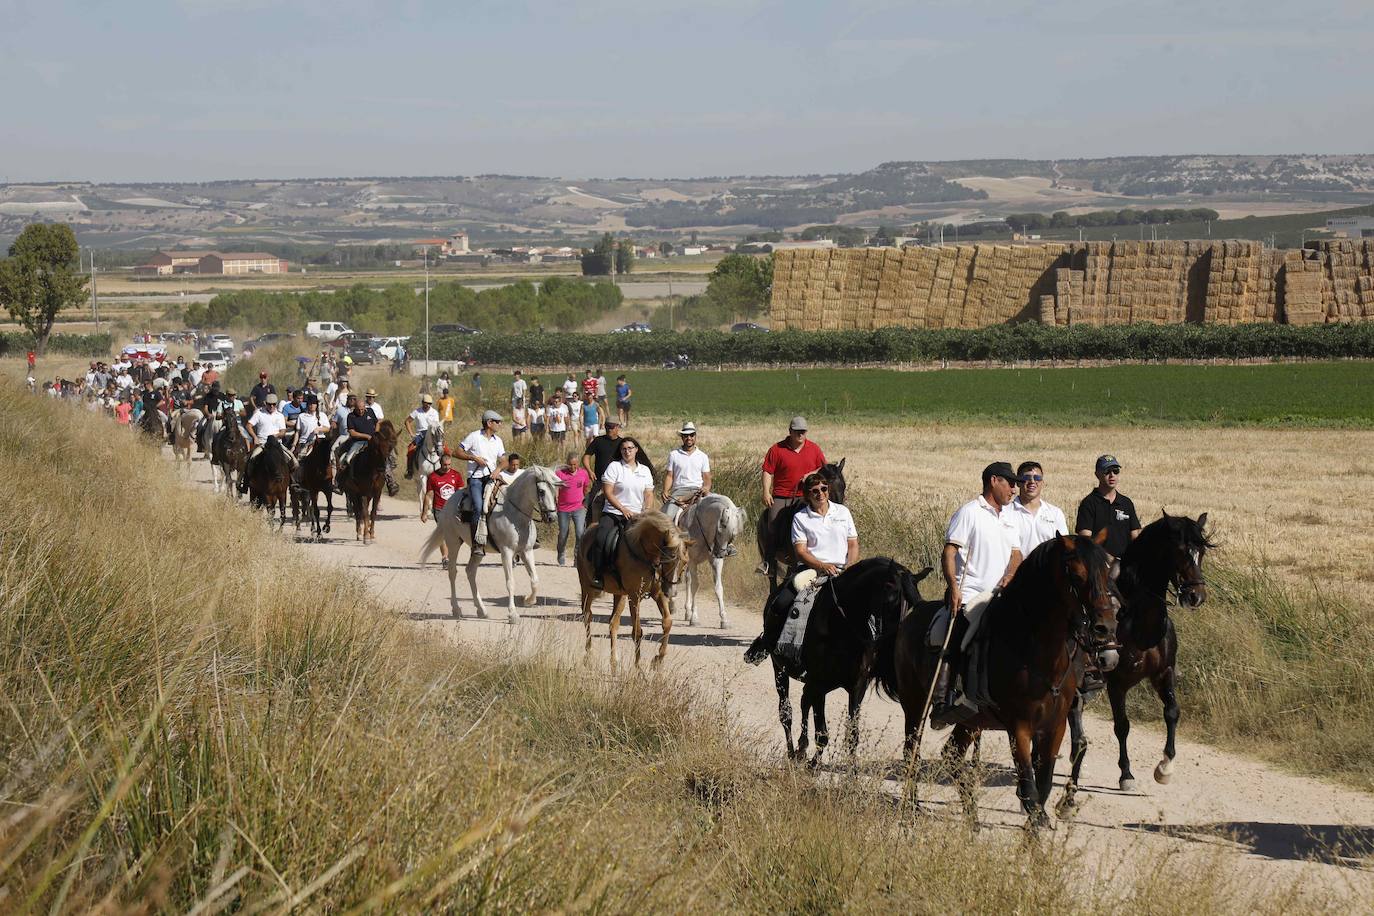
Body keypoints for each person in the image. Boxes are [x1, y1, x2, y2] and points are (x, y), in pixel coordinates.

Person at [931, 462, 1024, 723]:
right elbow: (950, 552)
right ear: (994, 480)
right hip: (971, 592)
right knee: (960, 636)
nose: (1015, 489)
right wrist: (953, 587)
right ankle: (944, 700)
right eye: (1010, 482)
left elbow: (1016, 554)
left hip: (1002, 594)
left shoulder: (1009, 517)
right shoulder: (969, 512)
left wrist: (1011, 573)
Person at [744, 470, 859, 664]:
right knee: (780, 603)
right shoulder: (801, 518)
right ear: (807, 495)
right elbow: (801, 552)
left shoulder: (843, 512)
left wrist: (849, 566)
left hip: (843, 570)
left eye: (823, 489)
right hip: (811, 570)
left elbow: (853, 544)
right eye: (814, 491)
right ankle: (767, 643)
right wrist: (823, 565)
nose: (820, 493)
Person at [589, 437, 656, 589]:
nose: (627, 451)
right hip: (613, 512)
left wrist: (646, 510)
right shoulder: (614, 467)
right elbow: (608, 492)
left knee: (654, 541)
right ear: (620, 451)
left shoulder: (644, 470)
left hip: (638, 515)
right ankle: (598, 574)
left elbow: (649, 494)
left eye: (630, 448)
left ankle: (653, 578)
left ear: (636, 450)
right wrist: (623, 509)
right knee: (601, 538)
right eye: (624, 449)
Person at [759, 417, 825, 565]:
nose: (800, 435)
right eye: (797, 432)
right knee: (773, 523)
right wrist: (766, 492)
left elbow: (823, 468)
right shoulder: (777, 449)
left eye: (803, 432)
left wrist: (812, 473)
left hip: (807, 496)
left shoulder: (814, 449)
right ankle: (768, 562)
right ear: (790, 432)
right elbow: (767, 471)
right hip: (782, 496)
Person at [1076, 454, 1142, 560]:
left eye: (1115, 471)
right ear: (1097, 474)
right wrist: (1108, 559)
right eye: (1107, 471)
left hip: (1125, 563)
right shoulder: (1089, 503)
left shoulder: (1126, 503)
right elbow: (1085, 541)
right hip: (1099, 564)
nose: (1112, 475)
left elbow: (1136, 536)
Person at [458, 410, 505, 556]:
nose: (500, 424)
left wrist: (498, 469)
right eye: (497, 422)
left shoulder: (498, 441)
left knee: (508, 499)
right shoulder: (474, 436)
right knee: (478, 507)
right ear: (489, 423)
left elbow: (504, 460)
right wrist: (473, 458)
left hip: (492, 478)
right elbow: (457, 452)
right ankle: (475, 544)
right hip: (476, 478)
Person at [1009, 460, 1070, 557]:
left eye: (1037, 477)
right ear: (1018, 483)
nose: (1032, 481)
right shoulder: (1006, 512)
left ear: (1042, 483)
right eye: (1026, 477)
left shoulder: (1055, 513)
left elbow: (1064, 547)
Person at [240, 392, 297, 493]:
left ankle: (292, 482)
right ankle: (245, 483)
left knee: (293, 460)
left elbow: (283, 431)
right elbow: (249, 425)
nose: (272, 406)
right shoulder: (259, 413)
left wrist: (275, 436)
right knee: (249, 460)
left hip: (277, 444)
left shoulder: (279, 416)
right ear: (265, 403)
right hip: (262, 443)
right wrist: (254, 437)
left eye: (274, 404)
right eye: (269, 404)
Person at [661, 421, 712, 524]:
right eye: (686, 435)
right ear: (682, 437)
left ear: (695, 436)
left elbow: (707, 478)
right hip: (679, 491)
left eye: (691, 435)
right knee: (667, 517)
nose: (689, 438)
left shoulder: (702, 456)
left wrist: (706, 488)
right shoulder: (674, 454)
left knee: (716, 511)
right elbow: (670, 476)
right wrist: (666, 490)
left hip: (697, 490)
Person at [421, 453, 464, 567]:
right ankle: (445, 558)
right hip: (439, 509)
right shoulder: (433, 477)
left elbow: (461, 493)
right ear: (440, 463)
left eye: (449, 464)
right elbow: (429, 495)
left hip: (454, 509)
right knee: (443, 533)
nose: (447, 467)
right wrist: (424, 512)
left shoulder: (456, 475)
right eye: (445, 465)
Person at [582, 417, 623, 522]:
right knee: (592, 504)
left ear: (618, 427)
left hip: (617, 483)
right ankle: (590, 527)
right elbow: (586, 456)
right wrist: (589, 471)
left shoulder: (622, 444)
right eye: (607, 426)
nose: (609, 429)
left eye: (612, 427)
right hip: (600, 481)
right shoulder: (598, 441)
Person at [555, 451, 591, 566]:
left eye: (575, 464)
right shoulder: (559, 474)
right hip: (563, 508)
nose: (572, 467)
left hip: (579, 507)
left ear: (578, 464)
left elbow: (586, 488)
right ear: (567, 463)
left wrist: (584, 503)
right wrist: (555, 500)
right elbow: (555, 489)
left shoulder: (583, 473)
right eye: (570, 464)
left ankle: (577, 558)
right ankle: (561, 552)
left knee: (580, 533)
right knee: (563, 533)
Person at [403, 393, 441, 479]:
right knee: (410, 450)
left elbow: (437, 425)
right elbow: (407, 421)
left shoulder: (434, 412)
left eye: (429, 403)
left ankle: (444, 469)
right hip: (420, 434)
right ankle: (410, 471)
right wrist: (411, 434)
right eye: (426, 403)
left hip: (432, 434)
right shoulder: (417, 411)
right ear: (422, 402)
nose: (428, 405)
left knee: (444, 449)